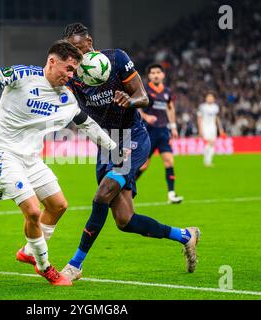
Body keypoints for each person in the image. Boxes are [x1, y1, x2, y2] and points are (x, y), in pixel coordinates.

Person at [0, 40, 117, 286]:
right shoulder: (23, 75)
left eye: (73, 71)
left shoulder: (66, 98)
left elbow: (87, 124)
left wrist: (114, 149)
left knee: (58, 206)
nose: (70, 75)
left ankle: (28, 251)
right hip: (3, 154)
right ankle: (45, 267)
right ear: (52, 61)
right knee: (33, 211)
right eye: (67, 68)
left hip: (31, 158)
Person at [60, 23, 201, 281]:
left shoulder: (116, 59)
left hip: (132, 139)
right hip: (106, 144)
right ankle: (186, 235)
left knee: (102, 194)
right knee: (125, 221)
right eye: (73, 53)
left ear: (90, 42)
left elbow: (143, 97)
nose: (80, 57)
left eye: (81, 49)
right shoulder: (72, 77)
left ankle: (75, 265)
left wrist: (129, 99)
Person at [136, 63, 184, 204]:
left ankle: (171, 194)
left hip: (163, 130)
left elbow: (170, 108)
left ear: (163, 75)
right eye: (153, 72)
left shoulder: (167, 91)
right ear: (149, 76)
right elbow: (136, 107)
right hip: (148, 131)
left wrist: (174, 126)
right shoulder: (144, 90)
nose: (156, 74)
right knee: (143, 165)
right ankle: (126, 188)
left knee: (169, 161)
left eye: (158, 72)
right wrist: (146, 117)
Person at [197, 92, 224, 167]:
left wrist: (220, 128)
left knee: (212, 144)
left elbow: (217, 118)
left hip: (213, 127)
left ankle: (208, 160)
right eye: (209, 97)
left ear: (213, 99)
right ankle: (207, 159)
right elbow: (199, 118)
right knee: (210, 142)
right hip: (205, 126)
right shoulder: (202, 107)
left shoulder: (215, 107)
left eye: (211, 97)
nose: (210, 99)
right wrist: (200, 129)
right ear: (206, 98)